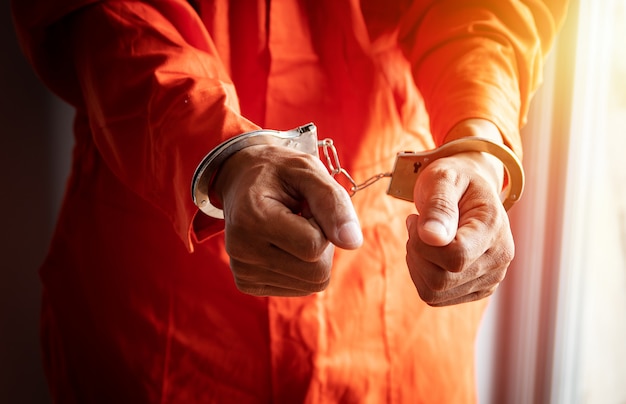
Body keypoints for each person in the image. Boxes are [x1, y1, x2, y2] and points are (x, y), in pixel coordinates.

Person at [12, 0, 567, 402]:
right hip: (164, 301)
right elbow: (105, 15)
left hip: (394, 308)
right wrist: (216, 153)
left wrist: (480, 136)